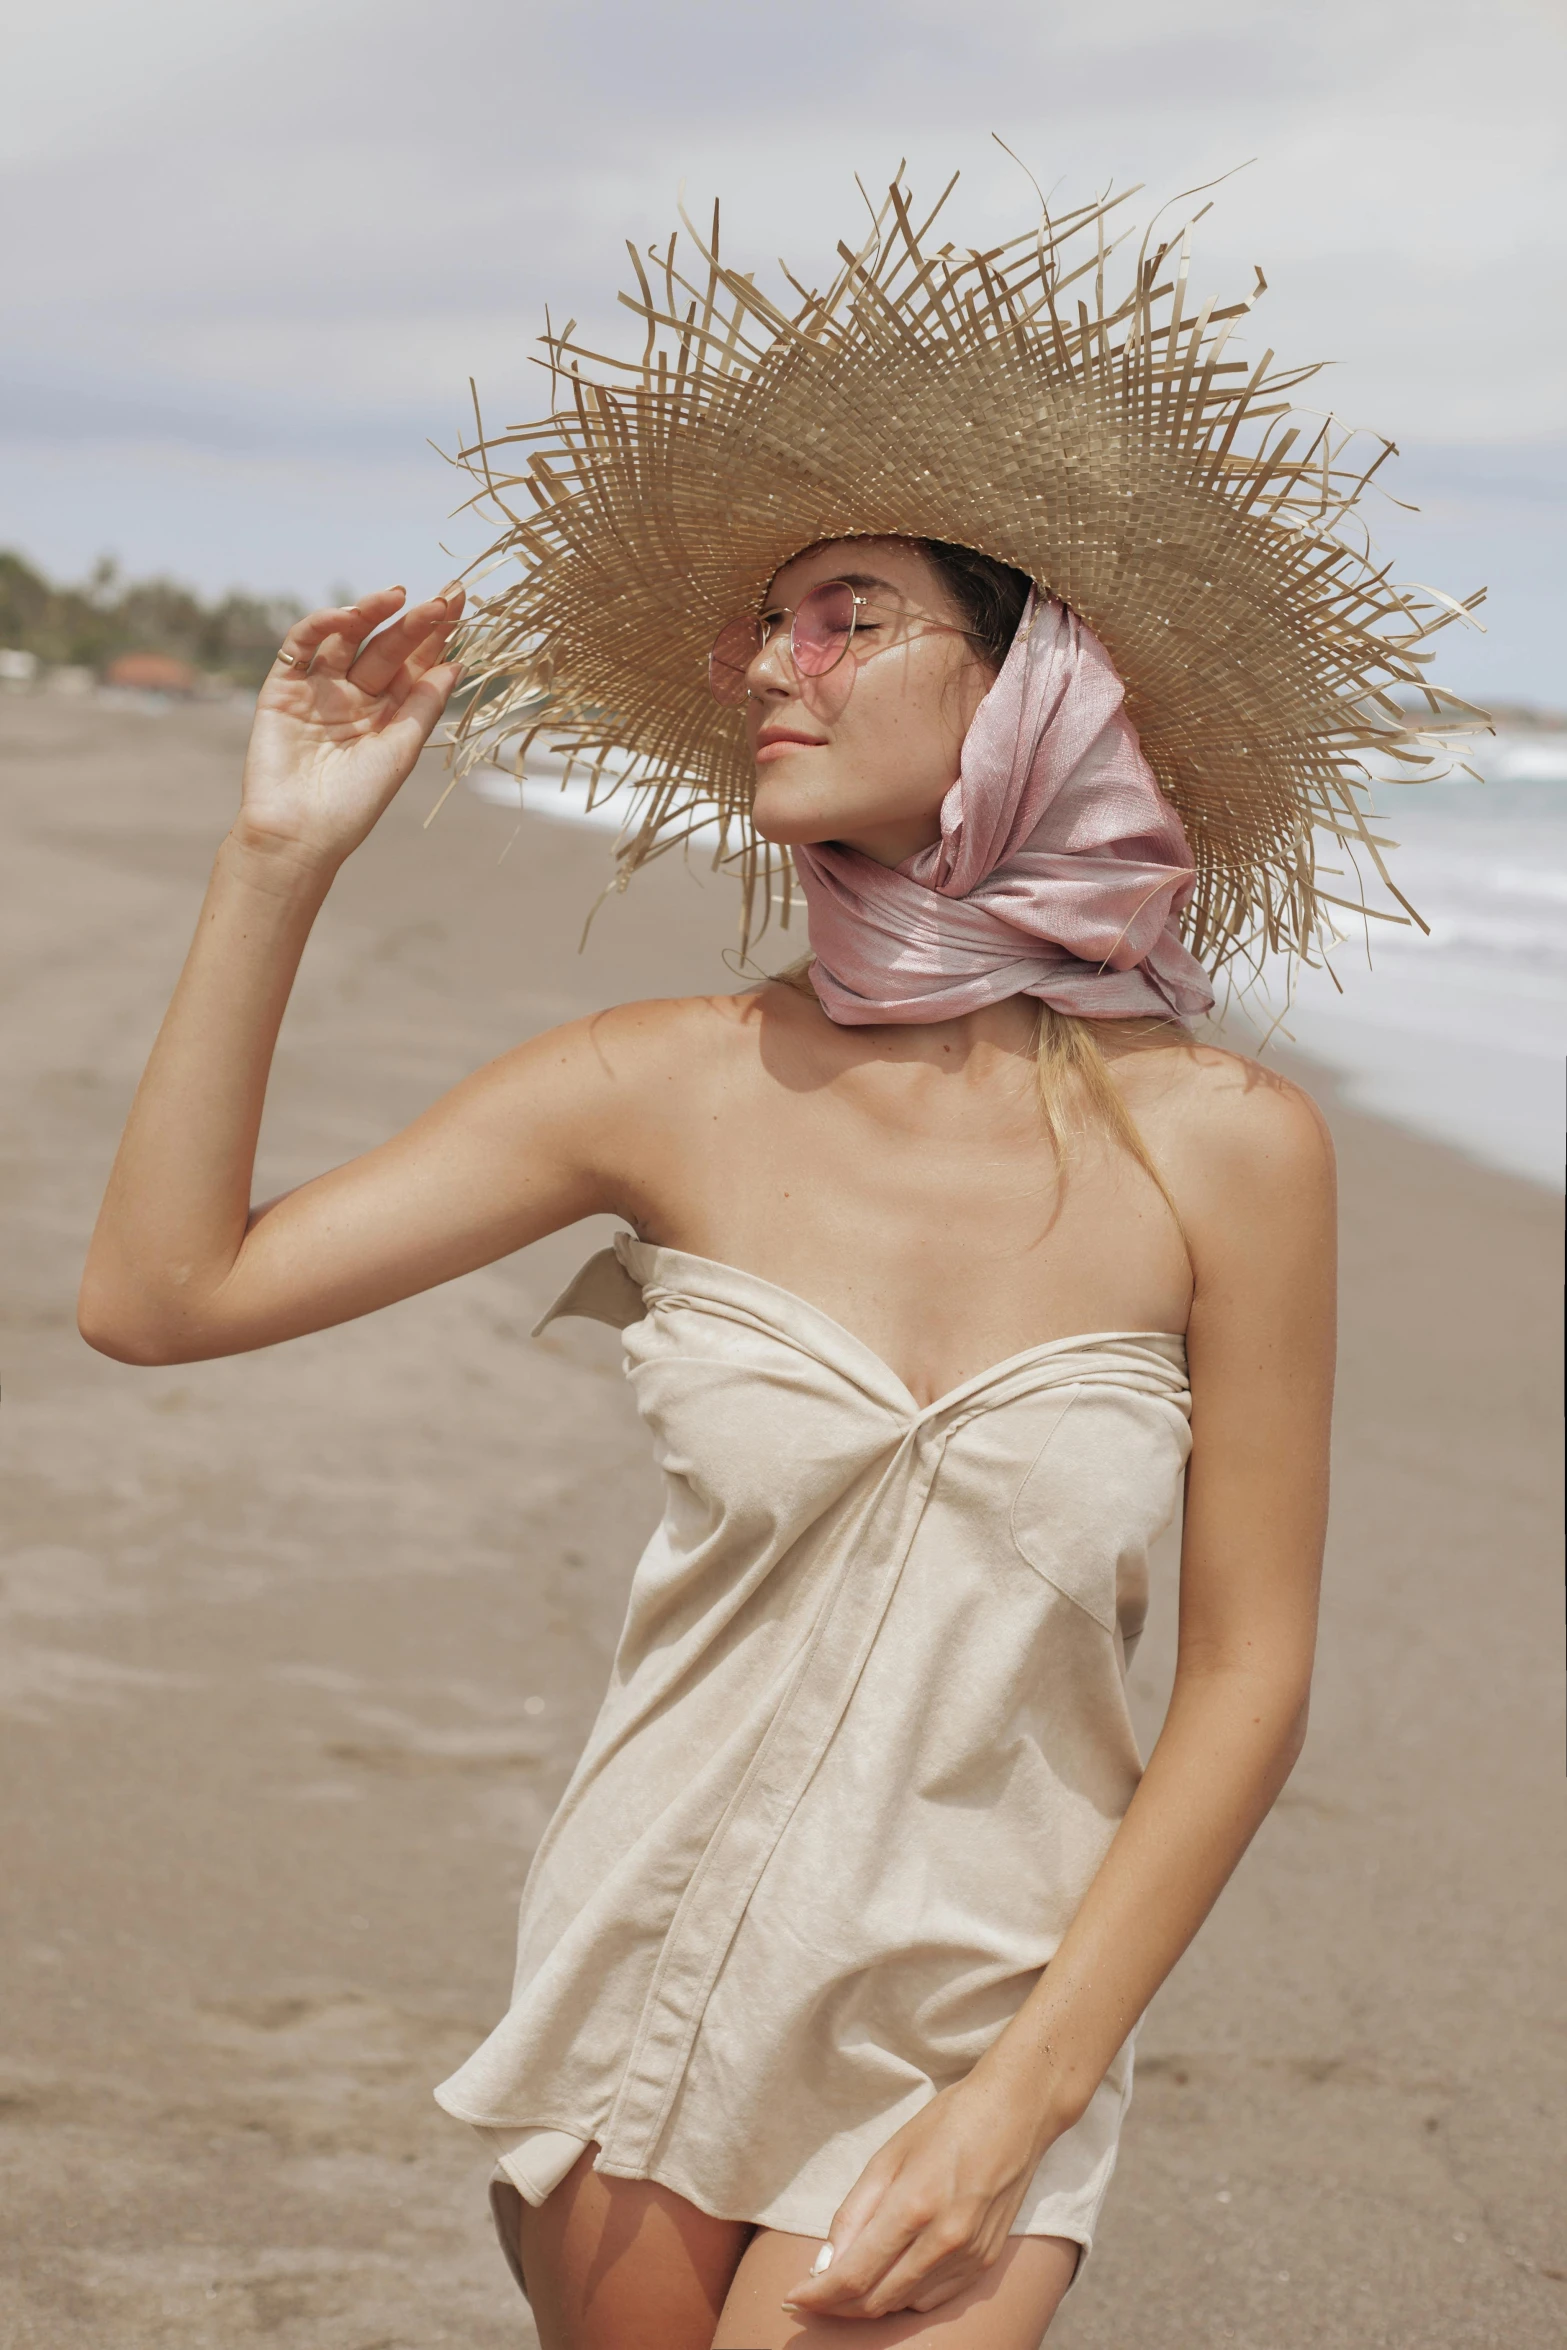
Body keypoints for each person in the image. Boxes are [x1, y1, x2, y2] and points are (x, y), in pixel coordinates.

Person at [79, 176, 1476, 2350]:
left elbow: (1246, 1676)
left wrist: (1019, 2097)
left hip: (979, 2015)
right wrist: (274, 862)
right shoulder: (668, 1081)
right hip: (645, 1984)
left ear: (1039, 684)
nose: (767, 666)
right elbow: (166, 1298)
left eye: (844, 614)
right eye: (764, 626)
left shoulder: (1230, 1149)